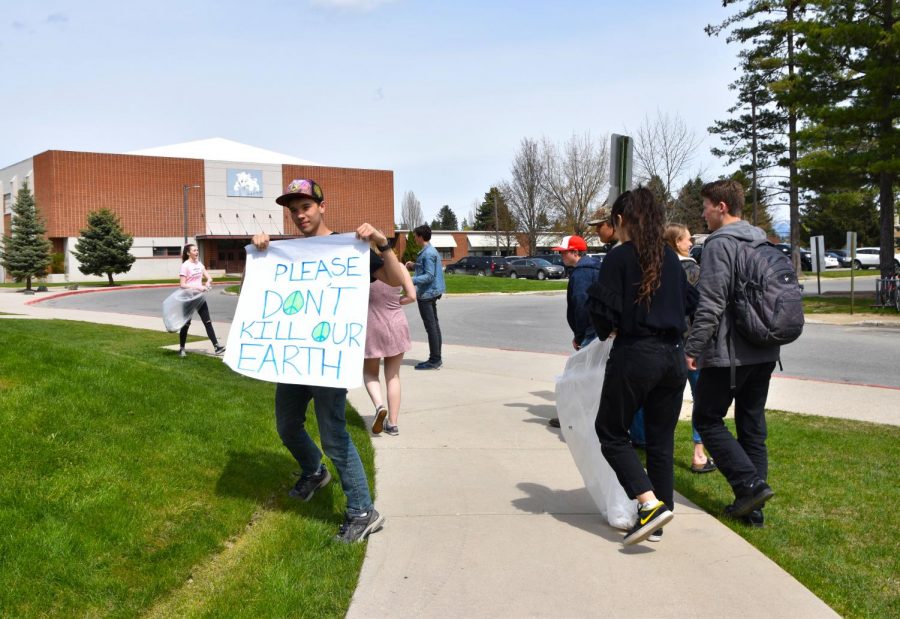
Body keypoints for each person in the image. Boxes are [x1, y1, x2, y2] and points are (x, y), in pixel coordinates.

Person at [251, 178, 408, 543]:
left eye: (305, 207)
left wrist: (382, 243)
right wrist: (260, 252)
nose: (299, 215)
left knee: (334, 434)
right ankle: (314, 472)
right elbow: (261, 293)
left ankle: (362, 510)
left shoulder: (348, 248)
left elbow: (395, 278)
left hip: (328, 357)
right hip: (294, 357)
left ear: (322, 206)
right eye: (293, 211)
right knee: (287, 425)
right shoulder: (288, 253)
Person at [589, 188, 698, 545]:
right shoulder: (669, 256)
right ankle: (659, 521)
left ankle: (648, 505)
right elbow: (690, 302)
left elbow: (602, 314)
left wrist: (613, 326)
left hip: (637, 355)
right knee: (660, 442)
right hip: (673, 357)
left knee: (610, 431)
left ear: (621, 220)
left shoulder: (620, 258)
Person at [685, 180, 779, 528]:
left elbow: (710, 304)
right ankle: (752, 510)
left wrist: (693, 348)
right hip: (766, 348)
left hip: (729, 352)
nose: (703, 212)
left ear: (721, 207)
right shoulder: (760, 239)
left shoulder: (719, 244)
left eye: (706, 205)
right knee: (752, 426)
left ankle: (749, 485)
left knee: (707, 419)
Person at [664, 224, 717, 475]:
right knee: (701, 399)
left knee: (664, 398)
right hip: (692, 345)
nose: (690, 242)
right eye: (687, 239)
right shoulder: (694, 270)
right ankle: (698, 454)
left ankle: (656, 444)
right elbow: (701, 311)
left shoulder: (659, 269)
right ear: (676, 242)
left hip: (667, 343)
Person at [548, 235, 602, 428]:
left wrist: (579, 335)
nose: (561, 256)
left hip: (589, 332)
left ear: (576, 252)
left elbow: (581, 305)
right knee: (592, 377)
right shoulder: (594, 267)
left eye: (564, 252)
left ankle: (573, 418)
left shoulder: (581, 273)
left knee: (576, 377)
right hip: (598, 330)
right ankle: (587, 417)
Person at [365, 253, 416, 437]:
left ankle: (379, 406)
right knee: (393, 376)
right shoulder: (400, 268)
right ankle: (393, 423)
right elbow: (412, 296)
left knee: (370, 372)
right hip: (396, 323)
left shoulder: (363, 268)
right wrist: (396, 302)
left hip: (371, 325)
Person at [405, 224, 446, 370]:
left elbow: (429, 276)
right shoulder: (430, 251)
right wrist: (413, 266)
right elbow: (426, 267)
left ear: (420, 236)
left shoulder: (428, 253)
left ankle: (434, 360)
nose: (414, 238)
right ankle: (436, 358)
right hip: (432, 292)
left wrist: (410, 280)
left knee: (431, 327)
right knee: (434, 325)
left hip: (427, 294)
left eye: (415, 235)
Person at [177, 243, 225, 358]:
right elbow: (182, 285)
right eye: (194, 250)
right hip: (188, 298)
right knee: (186, 324)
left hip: (200, 297)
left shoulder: (199, 264)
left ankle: (217, 347)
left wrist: (208, 281)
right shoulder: (185, 265)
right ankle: (182, 348)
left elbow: (209, 277)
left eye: (197, 250)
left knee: (207, 322)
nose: (197, 252)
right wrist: (199, 287)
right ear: (188, 253)